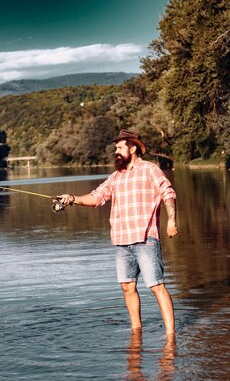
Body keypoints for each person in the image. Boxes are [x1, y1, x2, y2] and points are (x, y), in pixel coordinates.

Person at [57, 129, 178, 335]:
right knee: (127, 287)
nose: (117, 152)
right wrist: (72, 198)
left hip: (146, 238)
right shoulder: (115, 177)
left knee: (156, 286)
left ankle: (170, 335)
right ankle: (136, 331)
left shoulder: (150, 170)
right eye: (116, 149)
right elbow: (97, 197)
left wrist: (172, 221)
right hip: (122, 241)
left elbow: (168, 193)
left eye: (120, 148)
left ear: (132, 147)